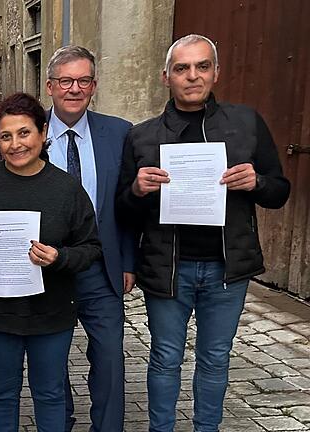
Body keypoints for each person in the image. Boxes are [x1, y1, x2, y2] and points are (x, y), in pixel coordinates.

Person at [116, 34, 290, 432]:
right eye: (182, 68)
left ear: (216, 72)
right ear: (166, 77)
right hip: (167, 268)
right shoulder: (142, 136)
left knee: (215, 358)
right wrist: (137, 191)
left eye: (202, 66)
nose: (192, 76)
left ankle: (205, 428)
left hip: (227, 270)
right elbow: (123, 210)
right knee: (164, 358)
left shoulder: (246, 123)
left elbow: (280, 191)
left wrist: (257, 183)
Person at [0, 92, 102, 432]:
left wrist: (60, 257)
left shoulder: (66, 188)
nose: (15, 144)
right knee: (1, 394)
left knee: (50, 393)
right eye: (6, 136)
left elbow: (90, 246)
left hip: (52, 314)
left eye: (24, 133)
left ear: (42, 133)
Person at [42, 46, 135, 432]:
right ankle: (59, 423)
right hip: (51, 267)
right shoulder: (32, 135)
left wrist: (129, 261)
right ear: (50, 86)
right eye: (66, 81)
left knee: (110, 358)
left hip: (102, 267)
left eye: (83, 80)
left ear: (94, 85)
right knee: (53, 359)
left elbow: (127, 203)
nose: (74, 89)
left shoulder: (119, 132)